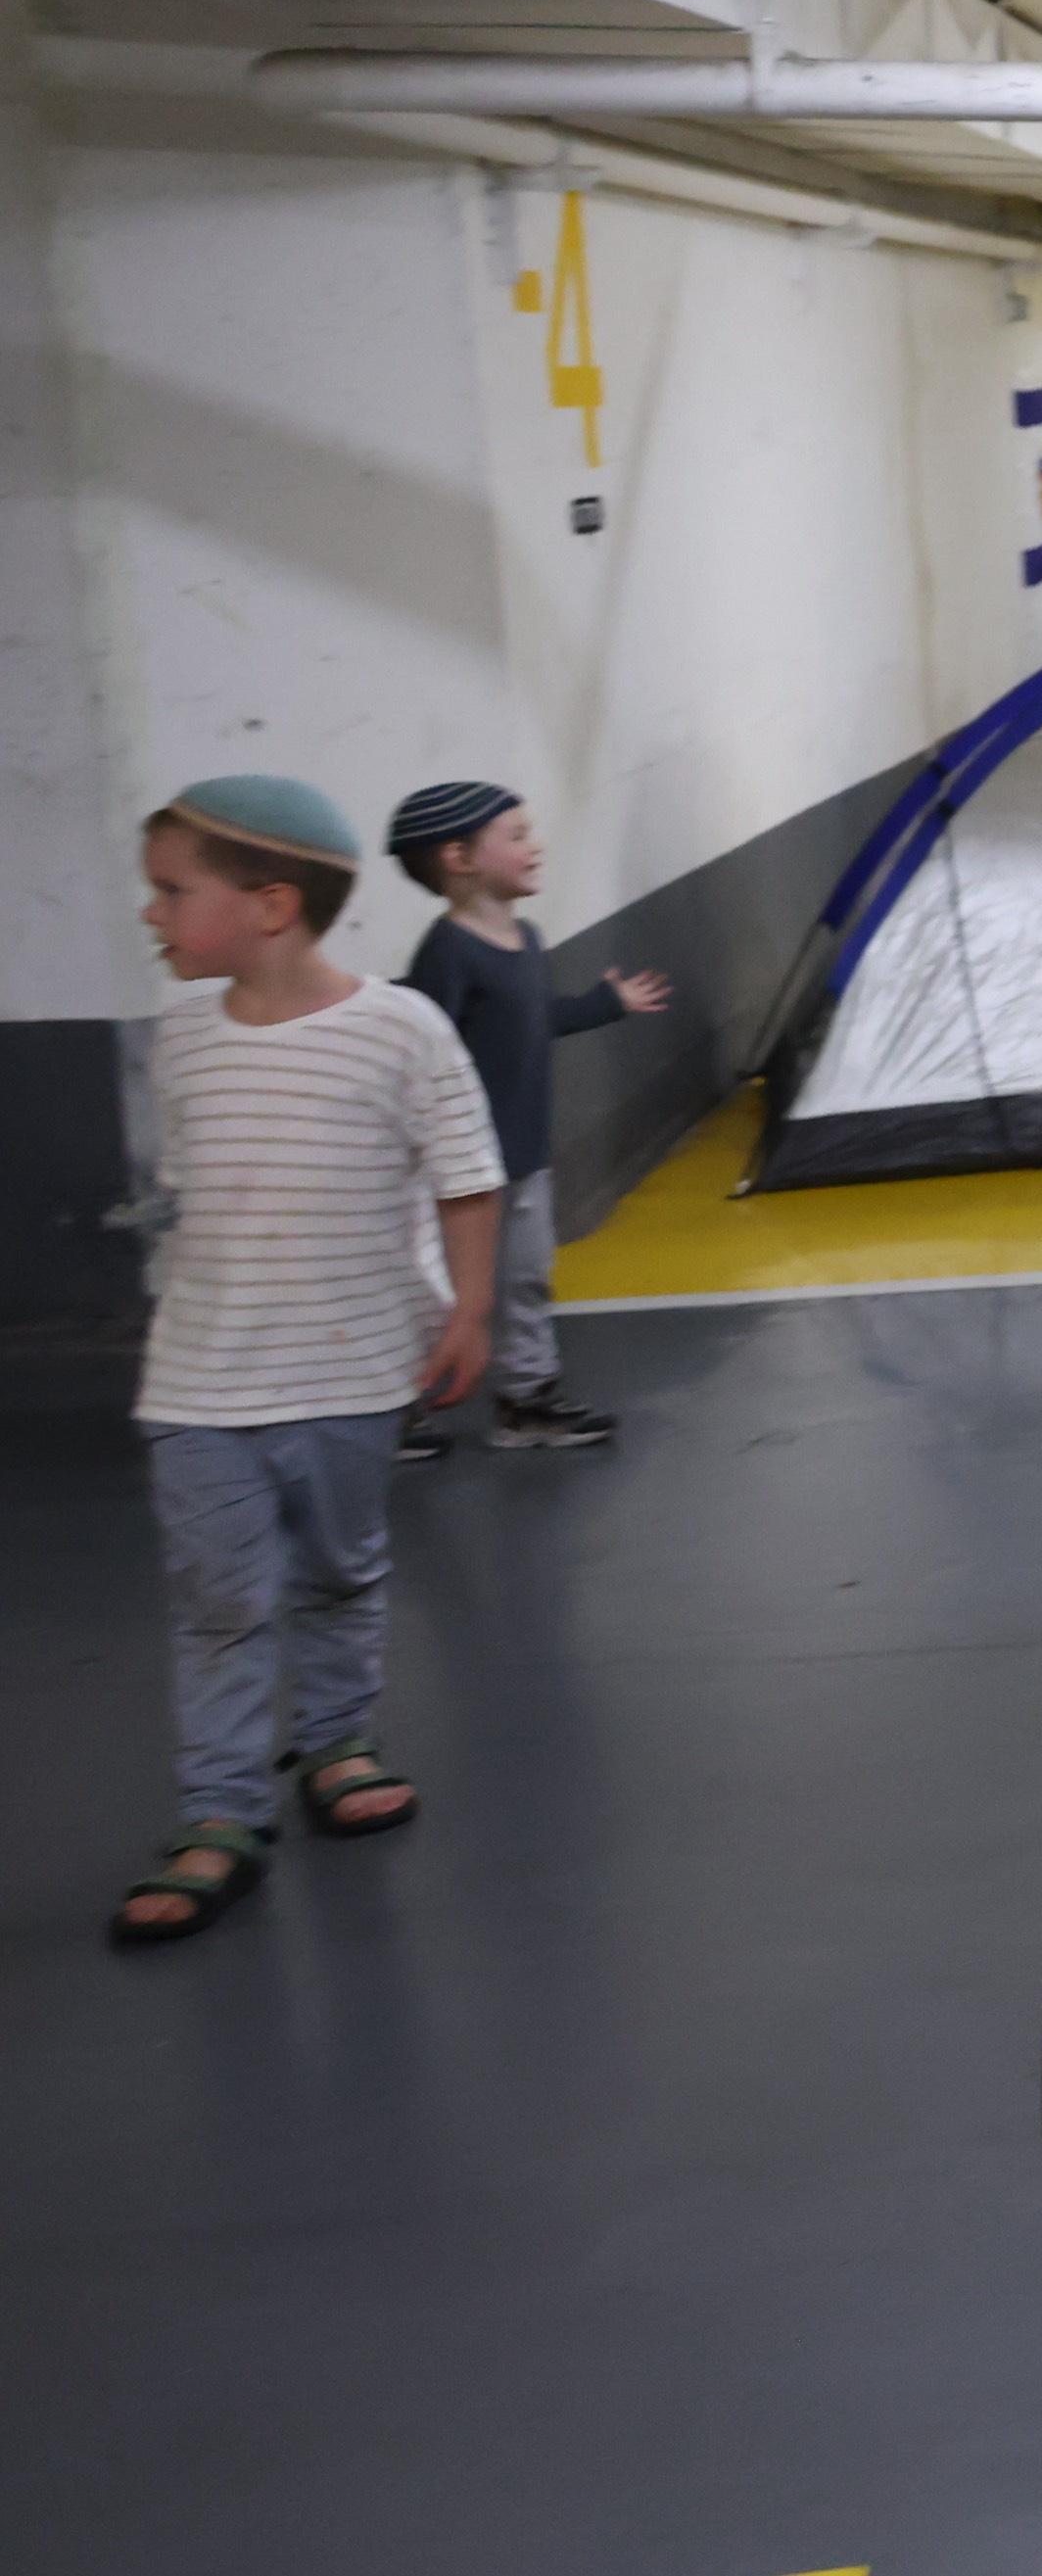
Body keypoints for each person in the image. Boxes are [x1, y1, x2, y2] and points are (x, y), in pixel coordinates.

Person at [114, 778, 504, 1945]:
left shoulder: (400, 1029)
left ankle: (335, 1735)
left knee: (339, 1567)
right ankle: (220, 1808)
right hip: (199, 1378)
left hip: (346, 1374)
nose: (150, 915)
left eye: (172, 892)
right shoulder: (181, 1032)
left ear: (271, 905)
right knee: (221, 1600)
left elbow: (466, 1176)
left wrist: (468, 1310)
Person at [389, 783, 671, 1455]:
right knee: (428, 1288)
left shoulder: (526, 937)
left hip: (520, 1155)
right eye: (515, 834)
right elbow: (419, 1044)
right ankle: (392, 1406)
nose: (533, 844)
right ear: (459, 857)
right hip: (457, 1166)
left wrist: (606, 1002)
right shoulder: (449, 950)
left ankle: (527, 1399)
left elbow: (534, 1016)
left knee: (523, 1278)